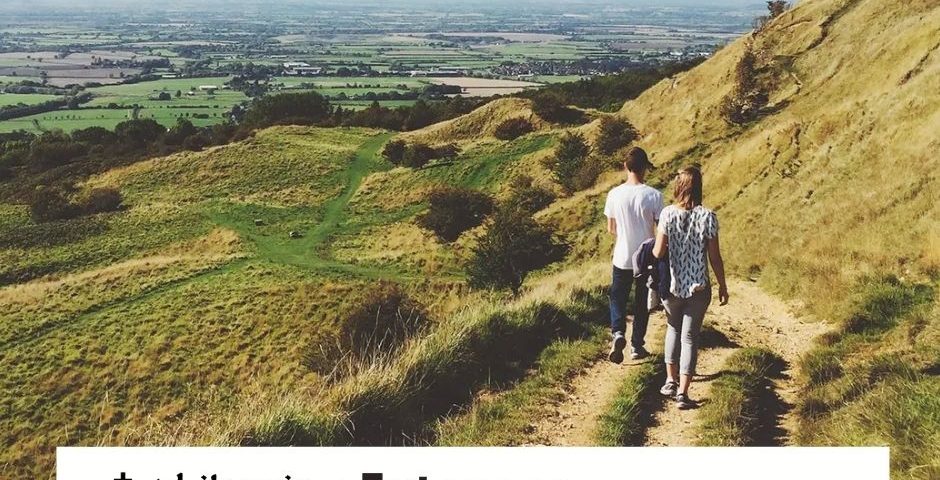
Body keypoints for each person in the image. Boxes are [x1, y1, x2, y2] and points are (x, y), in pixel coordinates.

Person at [652, 166, 728, 409]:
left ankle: (670, 380)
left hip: (672, 285)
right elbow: (715, 258)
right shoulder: (708, 216)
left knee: (673, 329)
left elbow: (658, 251)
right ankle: (683, 393)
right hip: (698, 286)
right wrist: (723, 285)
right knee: (690, 337)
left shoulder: (667, 214)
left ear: (679, 186)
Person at [604, 146, 663, 364]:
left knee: (618, 297)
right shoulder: (654, 195)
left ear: (625, 166)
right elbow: (661, 229)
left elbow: (611, 228)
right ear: (645, 168)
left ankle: (618, 332)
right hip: (646, 257)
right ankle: (637, 345)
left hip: (622, 255)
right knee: (641, 303)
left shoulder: (614, 194)